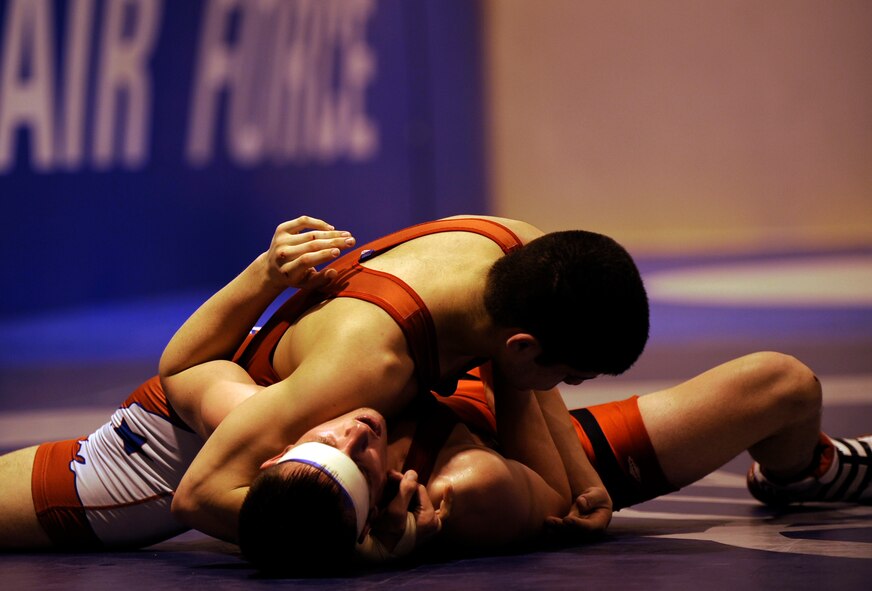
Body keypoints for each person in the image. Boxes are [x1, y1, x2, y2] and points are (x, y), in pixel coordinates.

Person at [160, 214, 649, 544]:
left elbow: (530, 386)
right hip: (196, 430)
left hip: (331, 410)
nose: (560, 388)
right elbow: (199, 496)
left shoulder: (519, 247)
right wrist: (368, 542)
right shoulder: (366, 370)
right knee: (487, 491)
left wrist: (584, 479)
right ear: (520, 346)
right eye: (569, 377)